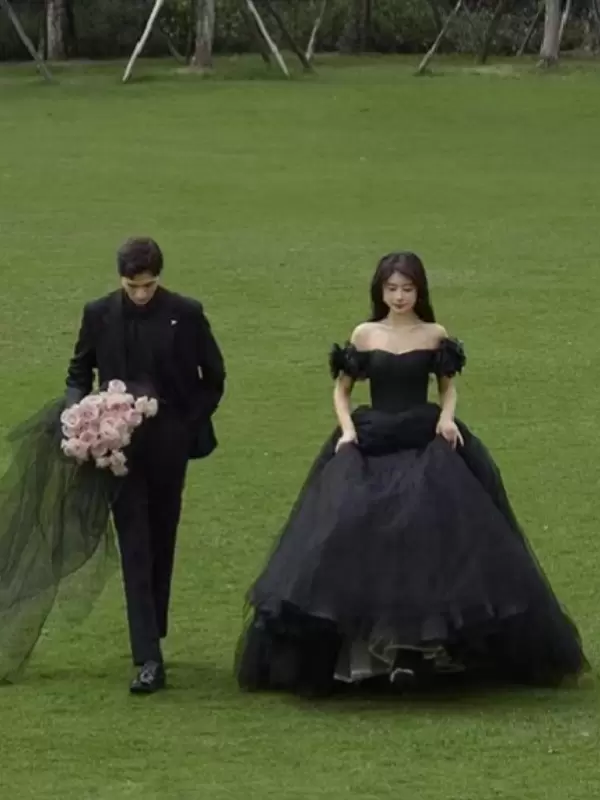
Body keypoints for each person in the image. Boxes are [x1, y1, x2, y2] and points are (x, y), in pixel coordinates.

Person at [235, 251, 588, 697]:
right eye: (392, 289)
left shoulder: (433, 334)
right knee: (348, 528)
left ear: (419, 291)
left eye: (407, 289)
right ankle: (363, 652)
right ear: (380, 291)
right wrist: (347, 431)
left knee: (437, 534)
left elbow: (447, 387)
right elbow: (342, 391)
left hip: (424, 435)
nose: (399, 297)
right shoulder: (365, 334)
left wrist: (447, 419)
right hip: (372, 436)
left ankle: (423, 650)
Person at [64, 236, 226, 694]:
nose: (140, 293)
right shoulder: (98, 313)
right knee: (134, 543)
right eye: (132, 285)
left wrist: (185, 425)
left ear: (159, 277)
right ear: (120, 278)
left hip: (169, 446)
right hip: (117, 452)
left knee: (161, 538)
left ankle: (152, 629)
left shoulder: (186, 314)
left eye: (148, 285)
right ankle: (148, 659)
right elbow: (79, 372)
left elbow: (214, 377)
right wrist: (81, 415)